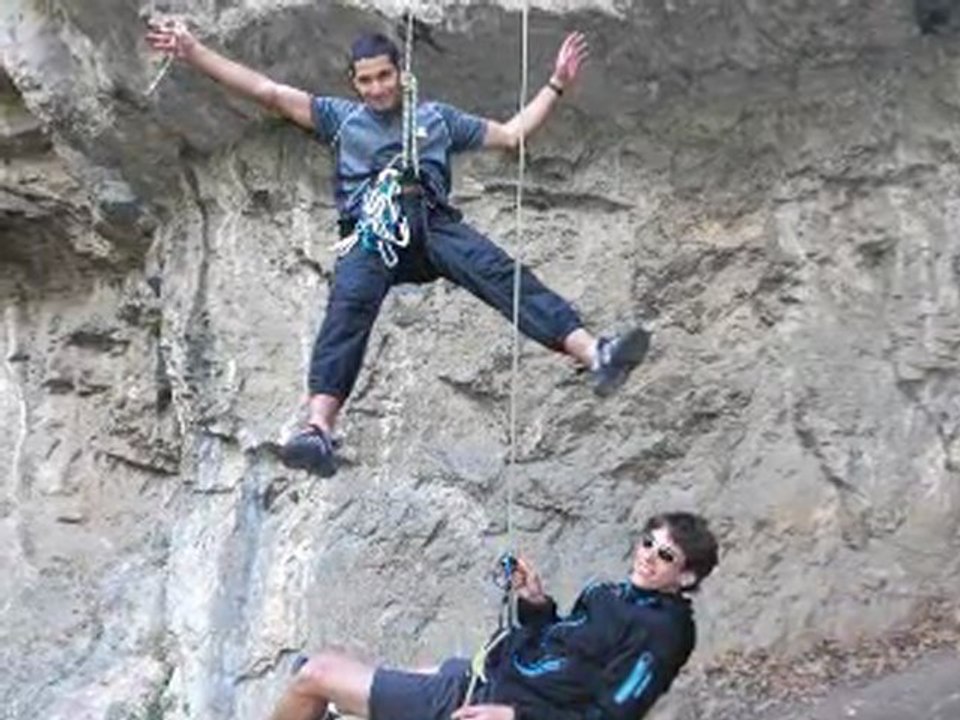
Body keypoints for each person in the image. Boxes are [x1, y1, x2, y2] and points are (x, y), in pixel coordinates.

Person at [145, 21, 652, 478]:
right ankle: (318, 428)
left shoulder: (437, 119)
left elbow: (512, 134)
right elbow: (268, 91)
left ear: (401, 73)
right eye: (365, 81)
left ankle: (595, 353)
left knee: (498, 273)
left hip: (432, 224)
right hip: (373, 232)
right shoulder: (341, 119)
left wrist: (557, 83)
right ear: (354, 84)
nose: (376, 88)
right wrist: (194, 51)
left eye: (384, 77)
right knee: (348, 308)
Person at [267, 511, 719, 720]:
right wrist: (535, 599)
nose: (647, 558)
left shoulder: (665, 633)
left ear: (686, 576)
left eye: (665, 555)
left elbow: (611, 717)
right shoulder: (612, 594)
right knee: (361, 681)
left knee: (314, 674)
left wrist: (514, 717)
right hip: (490, 678)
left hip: (498, 703)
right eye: (647, 543)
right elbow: (560, 646)